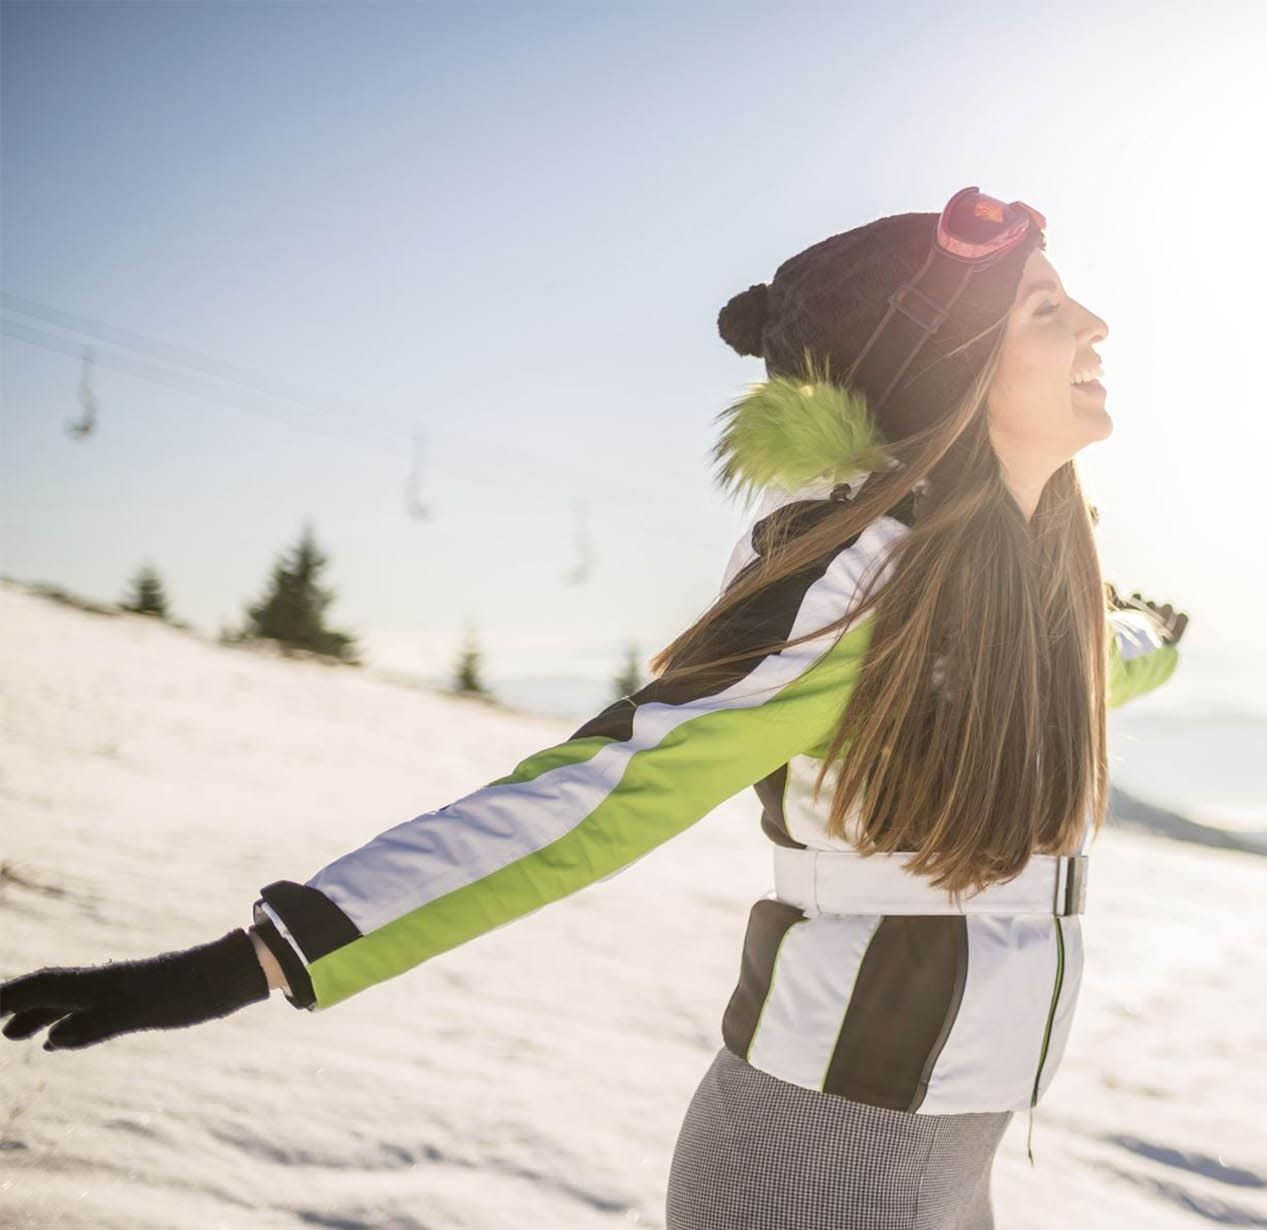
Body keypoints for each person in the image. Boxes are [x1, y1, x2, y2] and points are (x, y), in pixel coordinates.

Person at [0, 186, 1187, 1229]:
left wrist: (1151, 637)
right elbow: (593, 796)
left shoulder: (1028, 583)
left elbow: (1084, 665)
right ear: (951, 372)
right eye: (1042, 309)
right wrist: (261, 957)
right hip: (814, 1165)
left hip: (955, 1161)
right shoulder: (848, 593)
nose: (1092, 326)